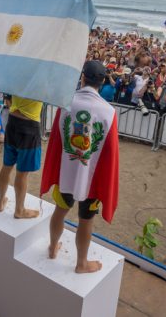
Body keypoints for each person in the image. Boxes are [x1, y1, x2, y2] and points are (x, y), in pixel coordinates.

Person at [41, 61, 119, 273]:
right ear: (102, 83)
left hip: (66, 171)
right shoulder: (109, 112)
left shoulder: (67, 103)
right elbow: (110, 154)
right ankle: (81, 263)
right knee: (86, 220)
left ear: (82, 77)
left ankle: (52, 247)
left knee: (60, 211)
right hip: (89, 179)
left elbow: (56, 140)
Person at [0, 93, 43, 219]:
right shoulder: (43, 77)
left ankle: (0, 201)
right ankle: (19, 210)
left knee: (7, 166)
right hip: (29, 124)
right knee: (22, 173)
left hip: (13, 120)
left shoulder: (19, 74)